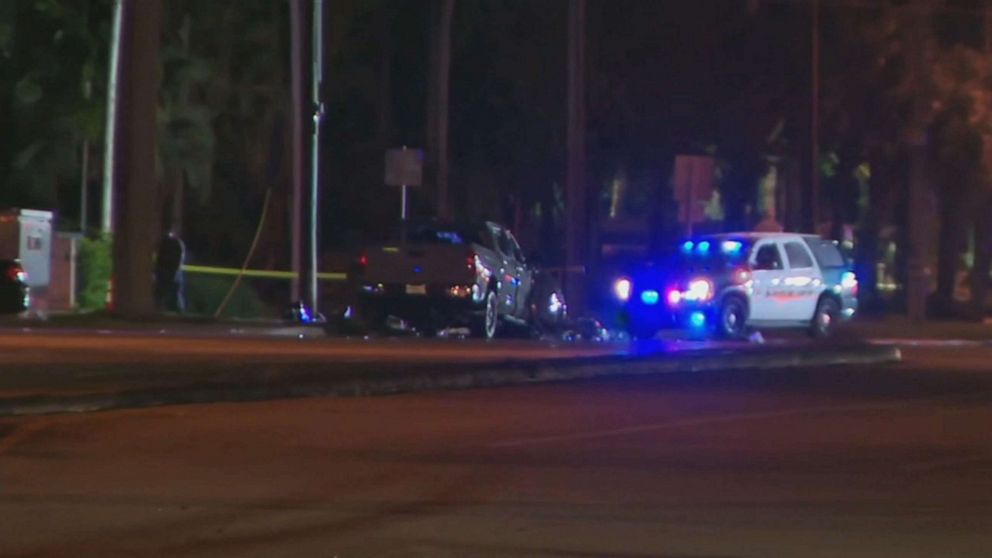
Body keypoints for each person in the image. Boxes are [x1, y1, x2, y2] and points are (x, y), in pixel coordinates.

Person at [155, 230, 186, 312]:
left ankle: (174, 310)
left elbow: (176, 260)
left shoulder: (173, 244)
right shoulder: (173, 244)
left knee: (172, 294)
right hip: (168, 272)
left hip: (170, 273)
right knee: (168, 293)